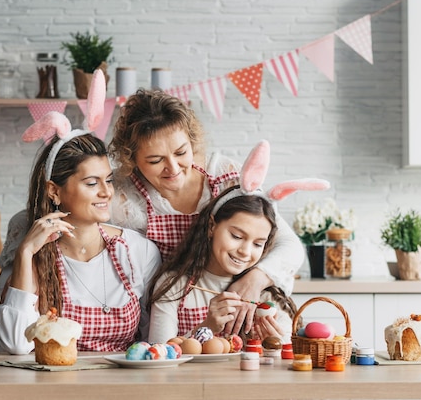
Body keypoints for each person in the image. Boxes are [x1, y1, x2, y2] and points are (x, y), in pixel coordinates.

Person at [108, 89, 324, 334]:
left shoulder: (223, 175)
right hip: (173, 318)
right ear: (131, 159)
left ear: (192, 142)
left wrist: (254, 280)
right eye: (156, 160)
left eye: (181, 152)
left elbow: (287, 243)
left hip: (239, 307)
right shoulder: (122, 195)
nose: (173, 168)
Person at [0, 71, 161, 354]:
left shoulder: (137, 252)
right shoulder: (30, 250)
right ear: (54, 191)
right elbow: (15, 344)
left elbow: (150, 343)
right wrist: (25, 254)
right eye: (91, 183)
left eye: (108, 180)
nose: (106, 192)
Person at [147, 185, 296, 344]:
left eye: (258, 244)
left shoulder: (267, 295)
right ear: (212, 226)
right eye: (236, 236)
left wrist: (273, 346)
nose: (245, 251)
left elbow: (287, 359)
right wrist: (207, 327)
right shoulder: (174, 285)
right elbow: (159, 353)